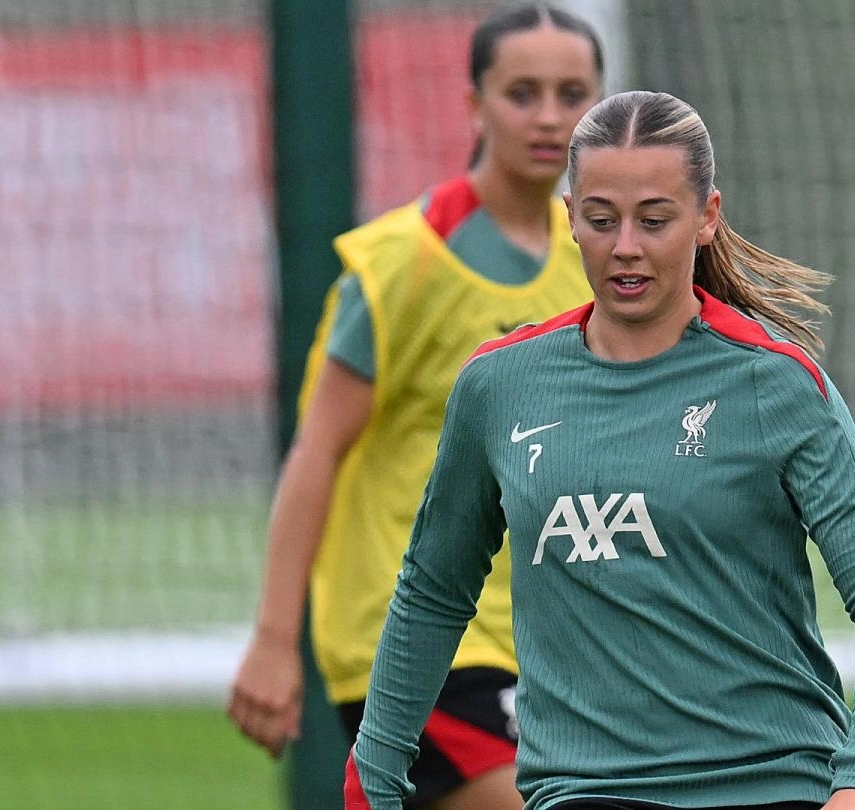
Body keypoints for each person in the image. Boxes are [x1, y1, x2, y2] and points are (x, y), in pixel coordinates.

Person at [348, 90, 855, 810]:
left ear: (707, 218)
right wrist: (370, 782)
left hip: (774, 786)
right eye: (602, 219)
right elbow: (431, 595)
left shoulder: (774, 383)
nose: (626, 244)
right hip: (587, 792)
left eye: (654, 220)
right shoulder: (499, 386)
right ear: (570, 218)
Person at [226, 4, 604, 808]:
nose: (548, 117)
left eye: (571, 94)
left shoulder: (599, 261)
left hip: (549, 641)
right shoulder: (404, 262)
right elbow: (316, 450)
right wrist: (271, 640)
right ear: (473, 105)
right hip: (417, 640)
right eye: (521, 93)